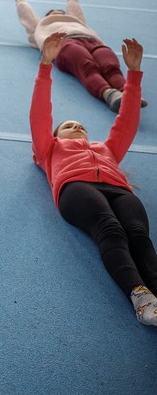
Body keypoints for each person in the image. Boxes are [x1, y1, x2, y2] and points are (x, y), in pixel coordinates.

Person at [31, 32, 157, 326]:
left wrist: (135, 75)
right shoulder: (49, 149)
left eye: (81, 125)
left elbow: (126, 122)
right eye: (68, 125)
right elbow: (40, 115)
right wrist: (46, 66)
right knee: (110, 229)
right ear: (55, 136)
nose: (76, 126)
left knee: (139, 236)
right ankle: (141, 297)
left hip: (117, 188)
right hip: (76, 188)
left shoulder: (106, 149)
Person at [8, 0, 147, 112]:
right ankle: (110, 94)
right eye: (52, 13)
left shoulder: (76, 21)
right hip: (65, 43)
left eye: (60, 12)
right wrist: (20, 0)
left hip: (92, 41)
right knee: (87, 66)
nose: (56, 13)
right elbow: (29, 18)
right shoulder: (41, 25)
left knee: (109, 64)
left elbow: (76, 13)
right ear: (47, 17)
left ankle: (128, 93)